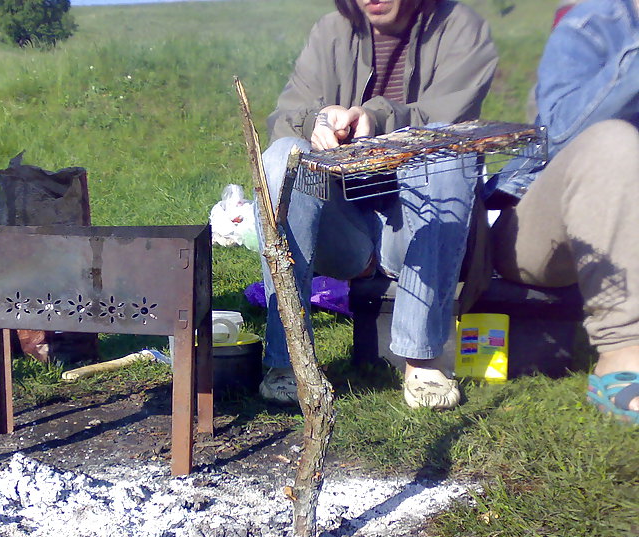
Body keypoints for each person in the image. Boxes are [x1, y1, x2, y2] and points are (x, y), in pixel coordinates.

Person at [254, 0, 497, 409]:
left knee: (449, 150)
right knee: (282, 158)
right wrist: (318, 120)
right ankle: (289, 361)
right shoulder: (331, 31)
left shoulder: (460, 27)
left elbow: (449, 118)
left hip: (421, 223)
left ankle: (422, 359)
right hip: (345, 226)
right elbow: (284, 117)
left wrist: (376, 118)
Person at [485, 0, 639, 424]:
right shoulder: (591, 25)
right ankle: (622, 355)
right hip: (544, 233)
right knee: (613, 142)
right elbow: (557, 134)